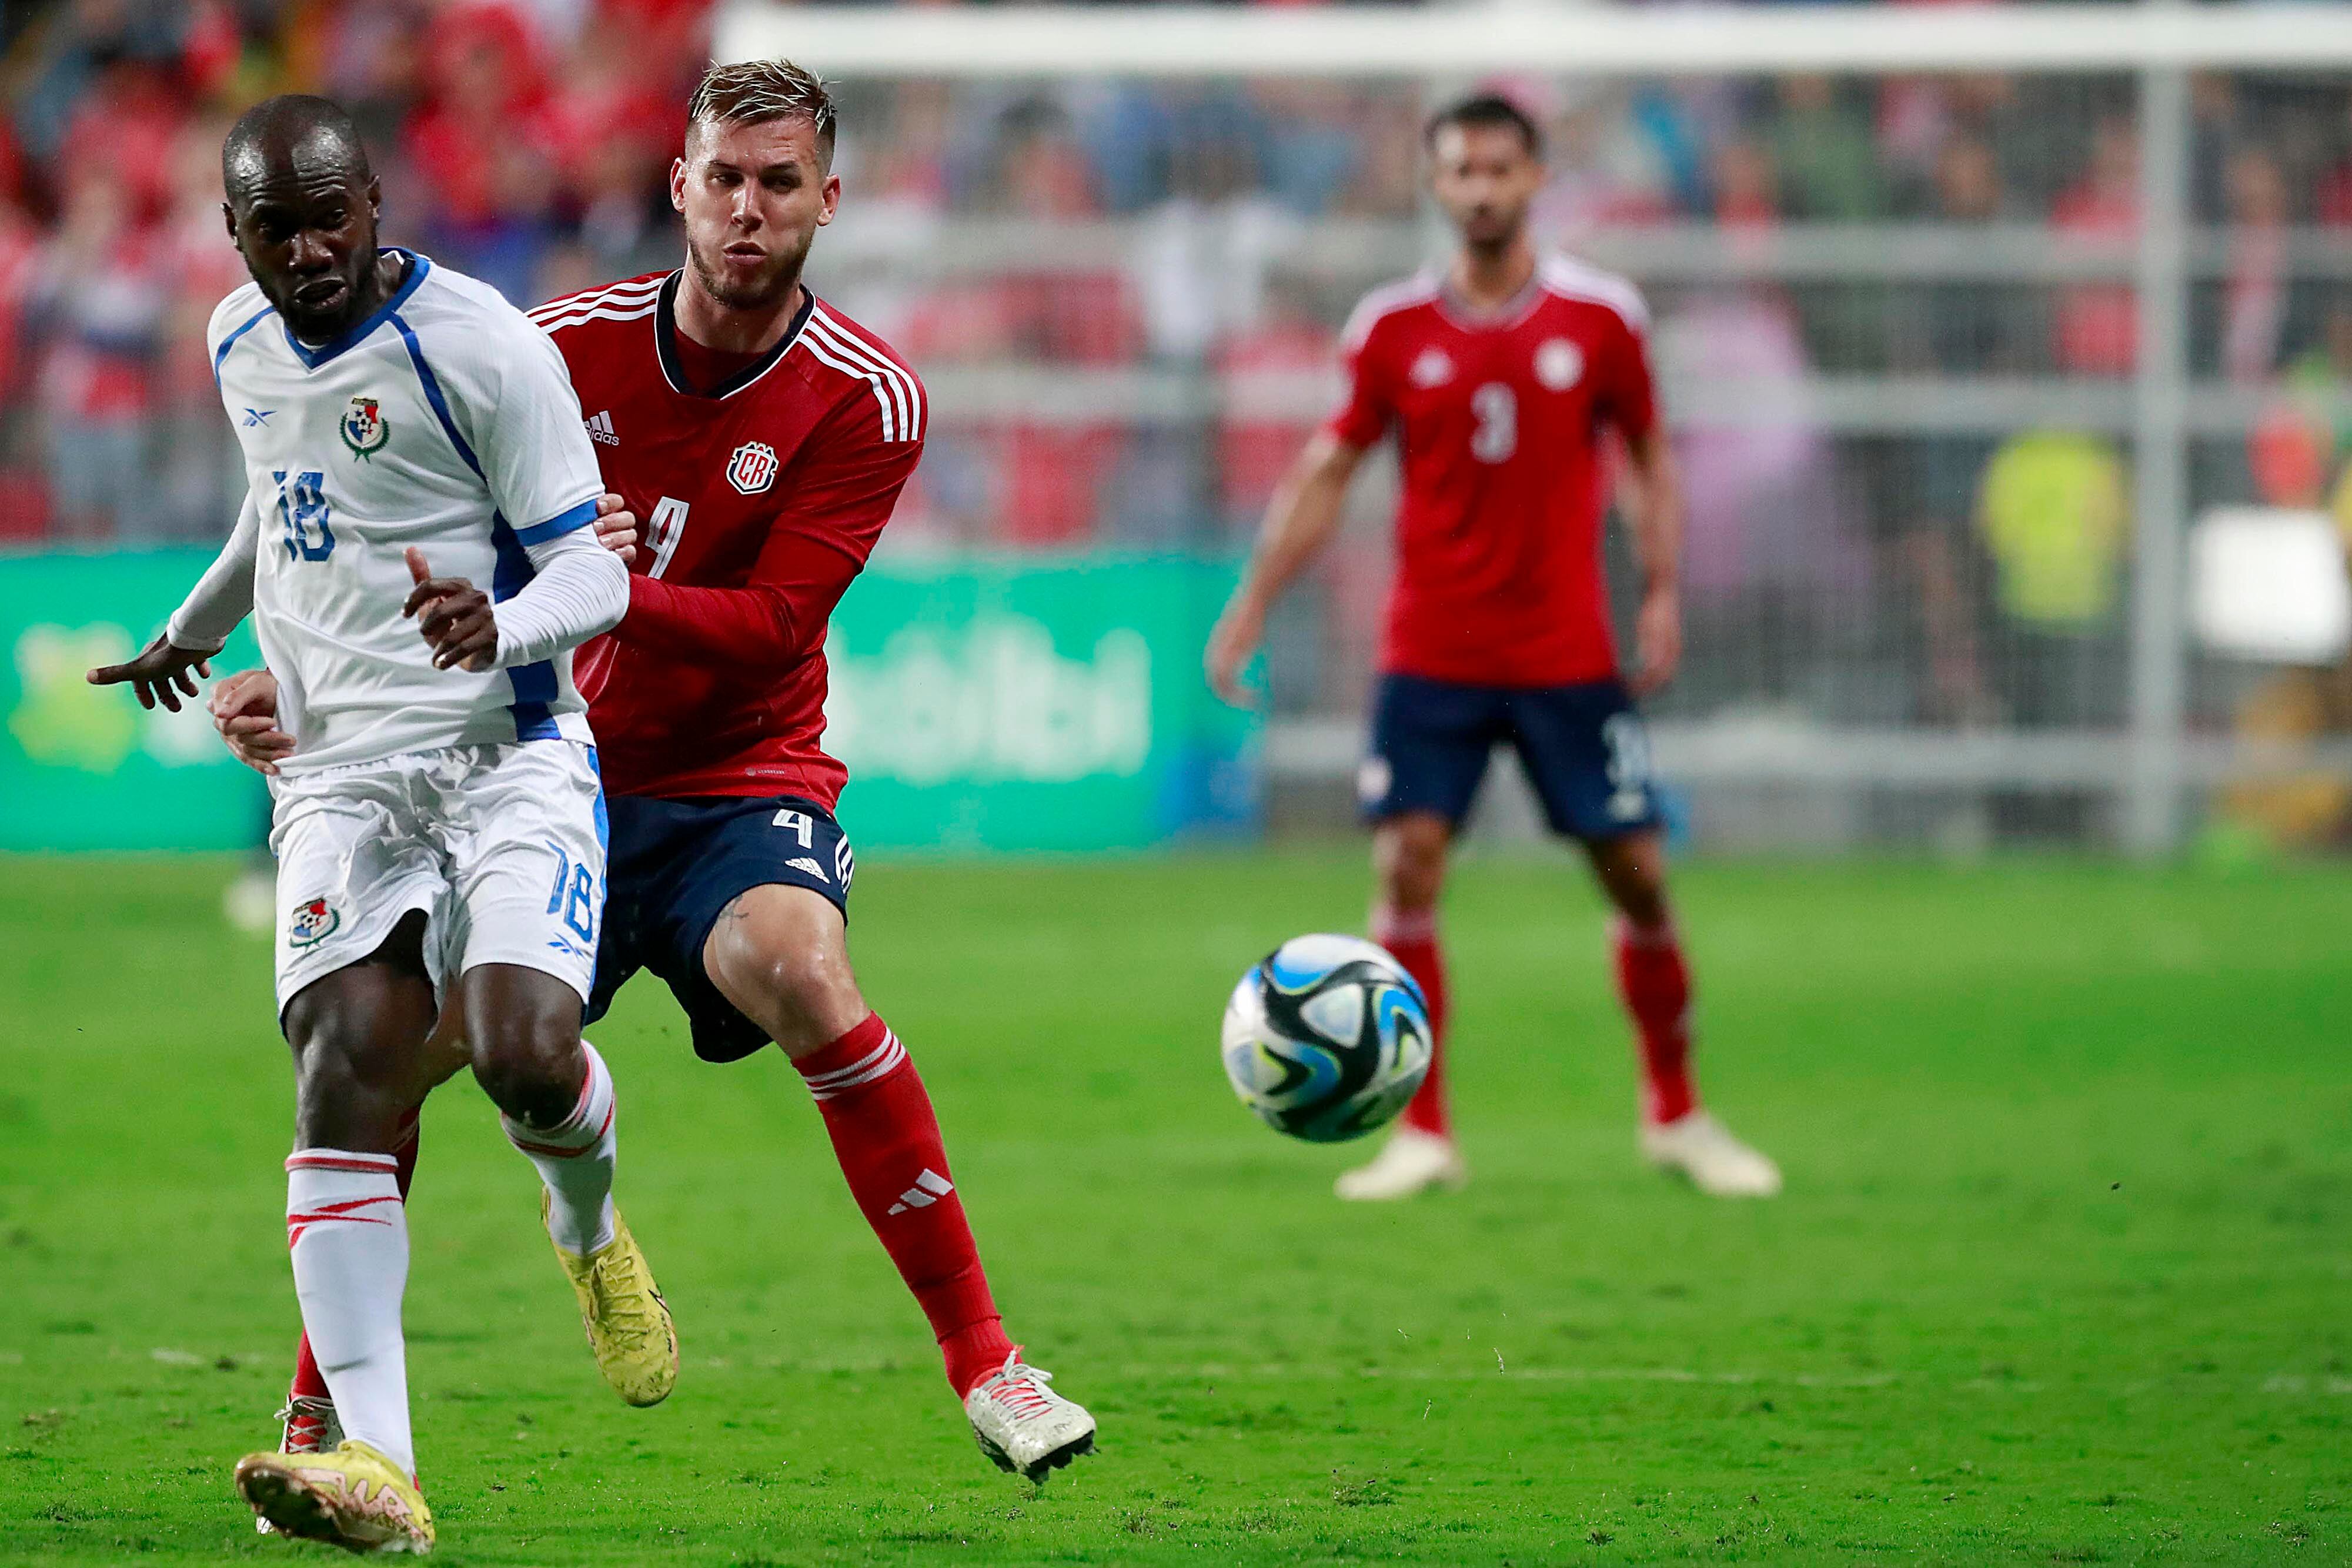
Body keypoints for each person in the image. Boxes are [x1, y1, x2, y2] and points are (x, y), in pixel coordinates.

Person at [211, 59, 1098, 1485]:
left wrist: (602, 586)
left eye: (780, 185)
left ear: (826, 201)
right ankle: (330, 1414)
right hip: (536, 769)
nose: (748, 212)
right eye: (724, 180)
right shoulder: (550, 344)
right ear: (677, 186)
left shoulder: (864, 397)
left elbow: (775, 630)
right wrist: (294, 675)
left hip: (740, 778)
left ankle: (988, 1361)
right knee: (378, 1061)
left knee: (806, 972)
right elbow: (359, 519)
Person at [85, 96, 670, 1552]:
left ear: (377, 203)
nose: (307, 248)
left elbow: (593, 572)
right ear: (233, 236)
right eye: (273, 226)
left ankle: (590, 1229)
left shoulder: (480, 347)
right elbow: (277, 507)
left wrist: (500, 622)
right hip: (339, 775)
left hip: (508, 756)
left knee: (529, 1052)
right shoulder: (236, 343)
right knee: (343, 1061)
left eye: (330, 215)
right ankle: (378, 1460)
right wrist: (187, 629)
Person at [1205, 93, 1781, 1203]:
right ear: (1436, 184)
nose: (1479, 189)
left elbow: (1650, 459)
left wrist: (1661, 591)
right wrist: (1254, 602)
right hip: (1433, 650)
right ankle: (1423, 1132)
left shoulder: (1602, 318)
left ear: (1535, 179)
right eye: (1460, 171)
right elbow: (1328, 473)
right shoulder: (1389, 329)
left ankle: (1678, 1113)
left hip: (1567, 651)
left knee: (1640, 879)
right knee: (1406, 869)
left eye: (1498, 170)